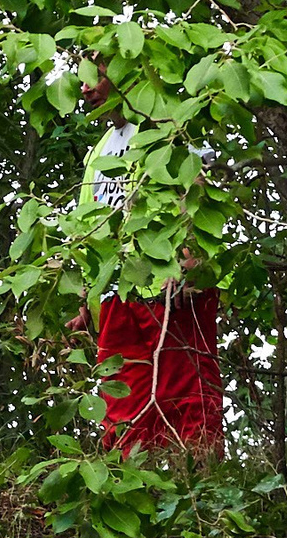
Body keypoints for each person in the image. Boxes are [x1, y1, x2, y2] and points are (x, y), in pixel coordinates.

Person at [71, 71, 224, 455]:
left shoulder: (168, 117)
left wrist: (190, 256)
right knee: (120, 406)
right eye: (80, 79)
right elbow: (94, 225)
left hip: (169, 286)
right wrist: (86, 299)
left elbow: (199, 184)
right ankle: (131, 491)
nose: (84, 88)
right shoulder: (100, 151)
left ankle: (200, 494)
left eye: (94, 76)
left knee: (187, 397)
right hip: (116, 293)